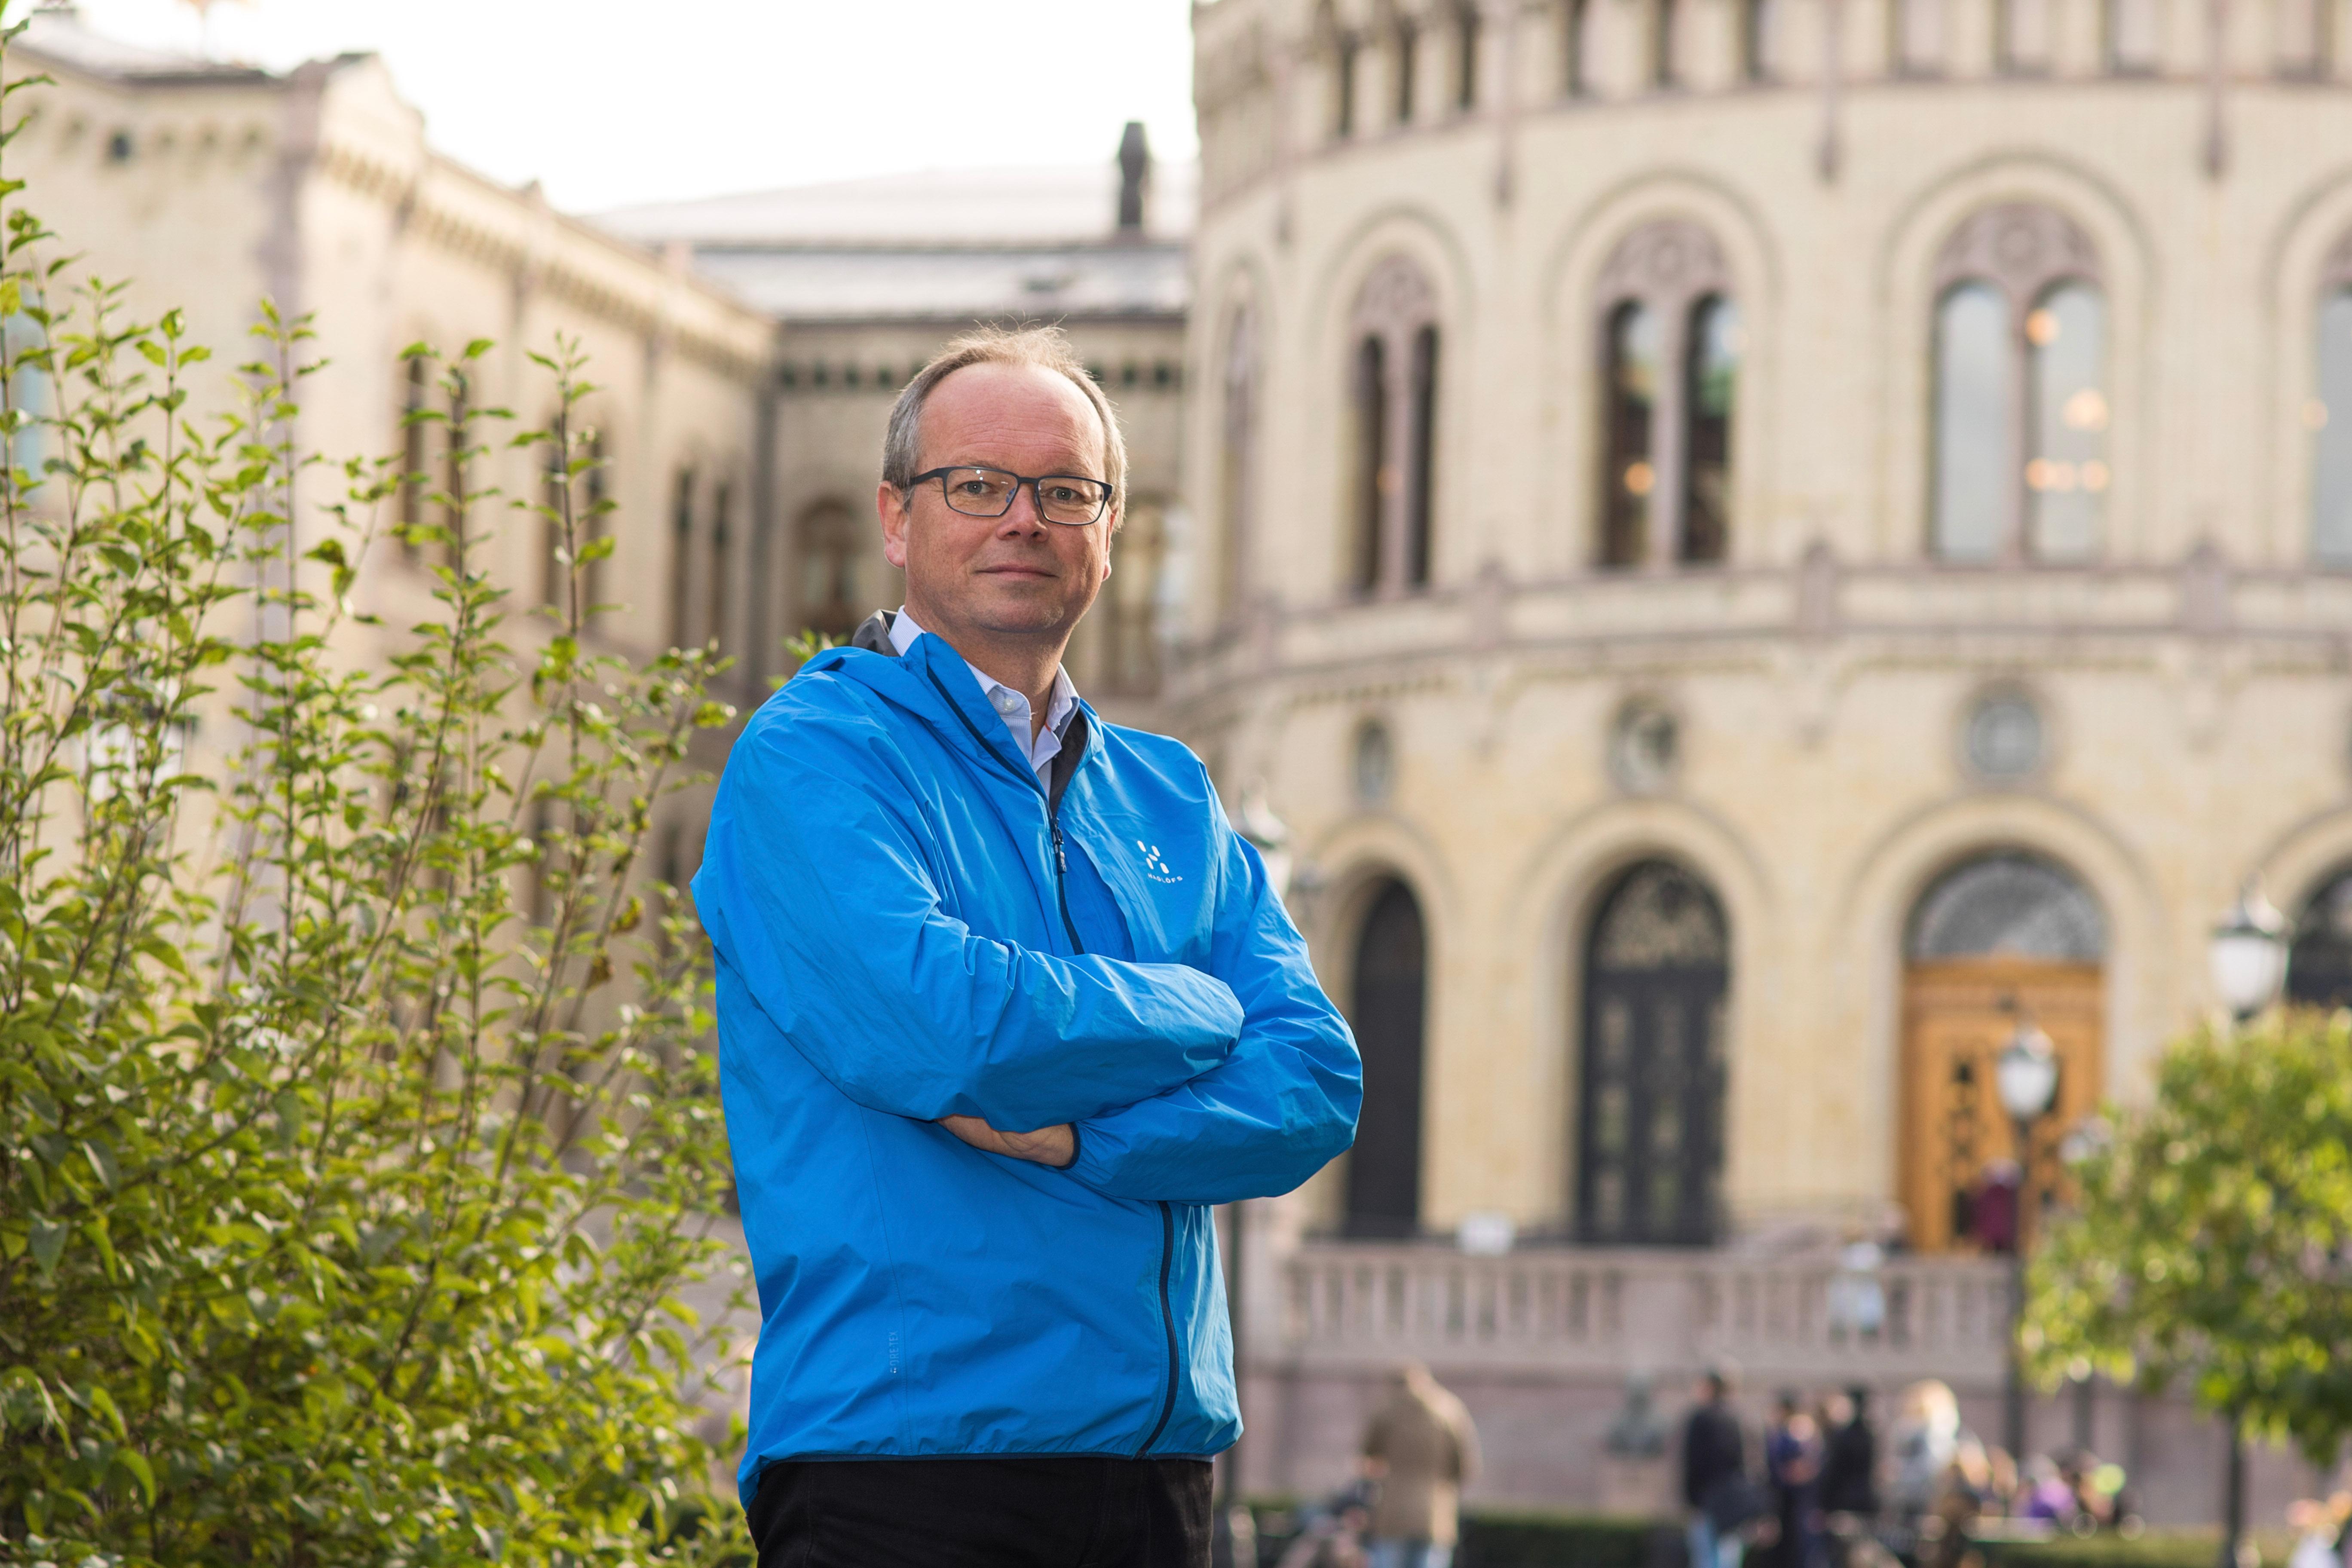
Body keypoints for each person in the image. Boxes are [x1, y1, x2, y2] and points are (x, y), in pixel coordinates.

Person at [695, 325, 1363, 1567]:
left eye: (1066, 492)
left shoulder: (1170, 795)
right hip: (904, 1469)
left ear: (1109, 531)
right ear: (897, 519)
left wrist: (1077, 1134)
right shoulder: (815, 758)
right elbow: (944, 1027)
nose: (1024, 520)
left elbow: (1316, 1087)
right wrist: (1198, 1009)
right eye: (978, 486)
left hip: (1156, 1478)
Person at [1359, 1363, 1482, 1568]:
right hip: (1436, 1511)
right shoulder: (1450, 1409)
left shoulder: (1387, 1410)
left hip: (1392, 1511)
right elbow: (1466, 1466)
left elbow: (1369, 1455)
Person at [1684, 1365, 1758, 1568]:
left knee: (1706, 1558)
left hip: (1708, 1499)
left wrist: (1692, 1500)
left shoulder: (1702, 1418)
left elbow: (1695, 1462)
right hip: (1734, 1500)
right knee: (1728, 1559)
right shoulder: (1739, 1419)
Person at [1763, 1390, 1825, 1568]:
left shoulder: (1795, 1431)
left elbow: (1802, 1468)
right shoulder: (1786, 1431)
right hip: (1787, 1501)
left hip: (1795, 1501)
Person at [1819, 1386, 1880, 1521]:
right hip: (1863, 1499)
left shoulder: (1844, 1437)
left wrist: (1823, 1503)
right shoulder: (1868, 1435)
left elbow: (1834, 1472)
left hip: (1842, 1503)